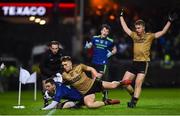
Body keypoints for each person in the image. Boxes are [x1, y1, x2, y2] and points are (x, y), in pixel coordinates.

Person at [119, 9, 177, 108]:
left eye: (138, 28)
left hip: (143, 63)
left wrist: (169, 21)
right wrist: (121, 16)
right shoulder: (134, 35)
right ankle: (134, 96)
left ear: (143, 28)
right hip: (134, 63)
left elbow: (162, 32)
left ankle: (134, 102)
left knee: (138, 83)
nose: (136, 29)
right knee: (124, 83)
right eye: (136, 28)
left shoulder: (149, 36)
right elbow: (125, 27)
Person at [61, 56, 131, 108]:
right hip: (87, 92)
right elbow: (61, 83)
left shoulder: (79, 66)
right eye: (63, 65)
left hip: (93, 84)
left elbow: (91, 69)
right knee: (90, 105)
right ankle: (107, 102)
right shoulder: (64, 75)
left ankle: (121, 82)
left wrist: (96, 75)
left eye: (65, 64)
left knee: (113, 86)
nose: (64, 66)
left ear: (70, 63)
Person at [85, 24, 117, 101]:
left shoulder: (110, 41)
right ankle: (104, 93)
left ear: (108, 33)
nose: (105, 32)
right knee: (95, 81)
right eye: (104, 30)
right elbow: (89, 45)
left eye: (107, 31)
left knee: (96, 80)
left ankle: (92, 97)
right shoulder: (95, 38)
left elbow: (115, 49)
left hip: (102, 63)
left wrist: (110, 53)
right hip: (94, 62)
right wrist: (87, 46)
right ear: (101, 31)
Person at [39, 40, 64, 107]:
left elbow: (64, 64)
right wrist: (50, 74)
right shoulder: (46, 54)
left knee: (59, 87)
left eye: (56, 48)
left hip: (57, 72)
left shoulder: (62, 53)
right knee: (45, 87)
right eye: (53, 48)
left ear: (58, 48)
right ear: (50, 48)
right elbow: (41, 66)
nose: (55, 50)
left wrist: (59, 72)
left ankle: (58, 100)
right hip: (46, 73)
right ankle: (46, 102)